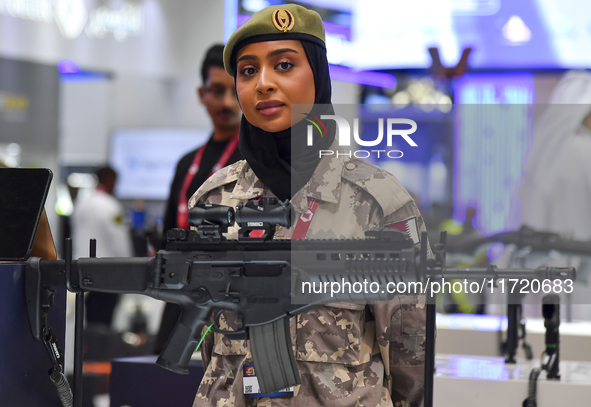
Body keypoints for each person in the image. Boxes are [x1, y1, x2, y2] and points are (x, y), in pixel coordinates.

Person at [188, 5, 428, 407]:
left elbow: (411, 362)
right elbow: (209, 346)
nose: (263, 83)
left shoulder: (380, 204)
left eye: (284, 65)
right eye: (248, 71)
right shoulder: (214, 200)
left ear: (318, 76)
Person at [155, 44, 243, 352]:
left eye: (234, 91)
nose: (227, 102)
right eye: (216, 91)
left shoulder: (256, 161)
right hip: (181, 296)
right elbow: (167, 233)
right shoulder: (187, 164)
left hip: (234, 296)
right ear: (201, 94)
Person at [71, 165, 133, 326]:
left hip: (80, 270)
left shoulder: (81, 203)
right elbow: (120, 241)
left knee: (85, 322)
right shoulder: (111, 207)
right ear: (109, 180)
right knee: (102, 323)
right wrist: (131, 269)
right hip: (106, 273)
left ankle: (87, 350)